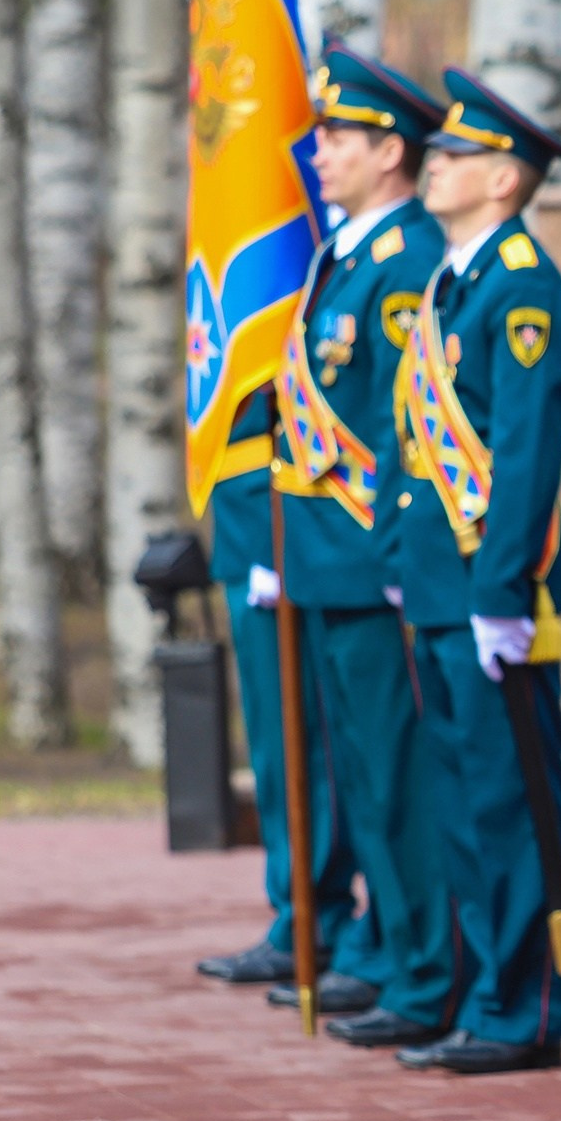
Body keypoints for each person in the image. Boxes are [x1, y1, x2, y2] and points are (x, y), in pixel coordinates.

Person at [386, 68, 561, 1076]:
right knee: (460, 798)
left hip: (490, 594)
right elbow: (409, 443)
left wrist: (503, 589)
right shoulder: (452, 281)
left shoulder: (521, 288)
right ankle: (482, 992)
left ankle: (524, 1008)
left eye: (456, 154)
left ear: (504, 178)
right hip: (435, 586)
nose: (435, 165)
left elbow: (524, 457)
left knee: (509, 801)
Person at [268, 44, 459, 1048]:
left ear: (391, 152)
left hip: (370, 556)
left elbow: (401, 424)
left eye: (338, 135)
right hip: (327, 558)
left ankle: (426, 967)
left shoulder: (405, 261)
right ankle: (394, 952)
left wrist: (388, 550)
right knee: (365, 773)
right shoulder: (349, 253)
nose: (321, 150)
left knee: (398, 773)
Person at [195, 393, 376, 994]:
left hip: (294, 513)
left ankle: (326, 915)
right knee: (275, 745)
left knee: (318, 742)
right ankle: (298, 906)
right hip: (248, 514)